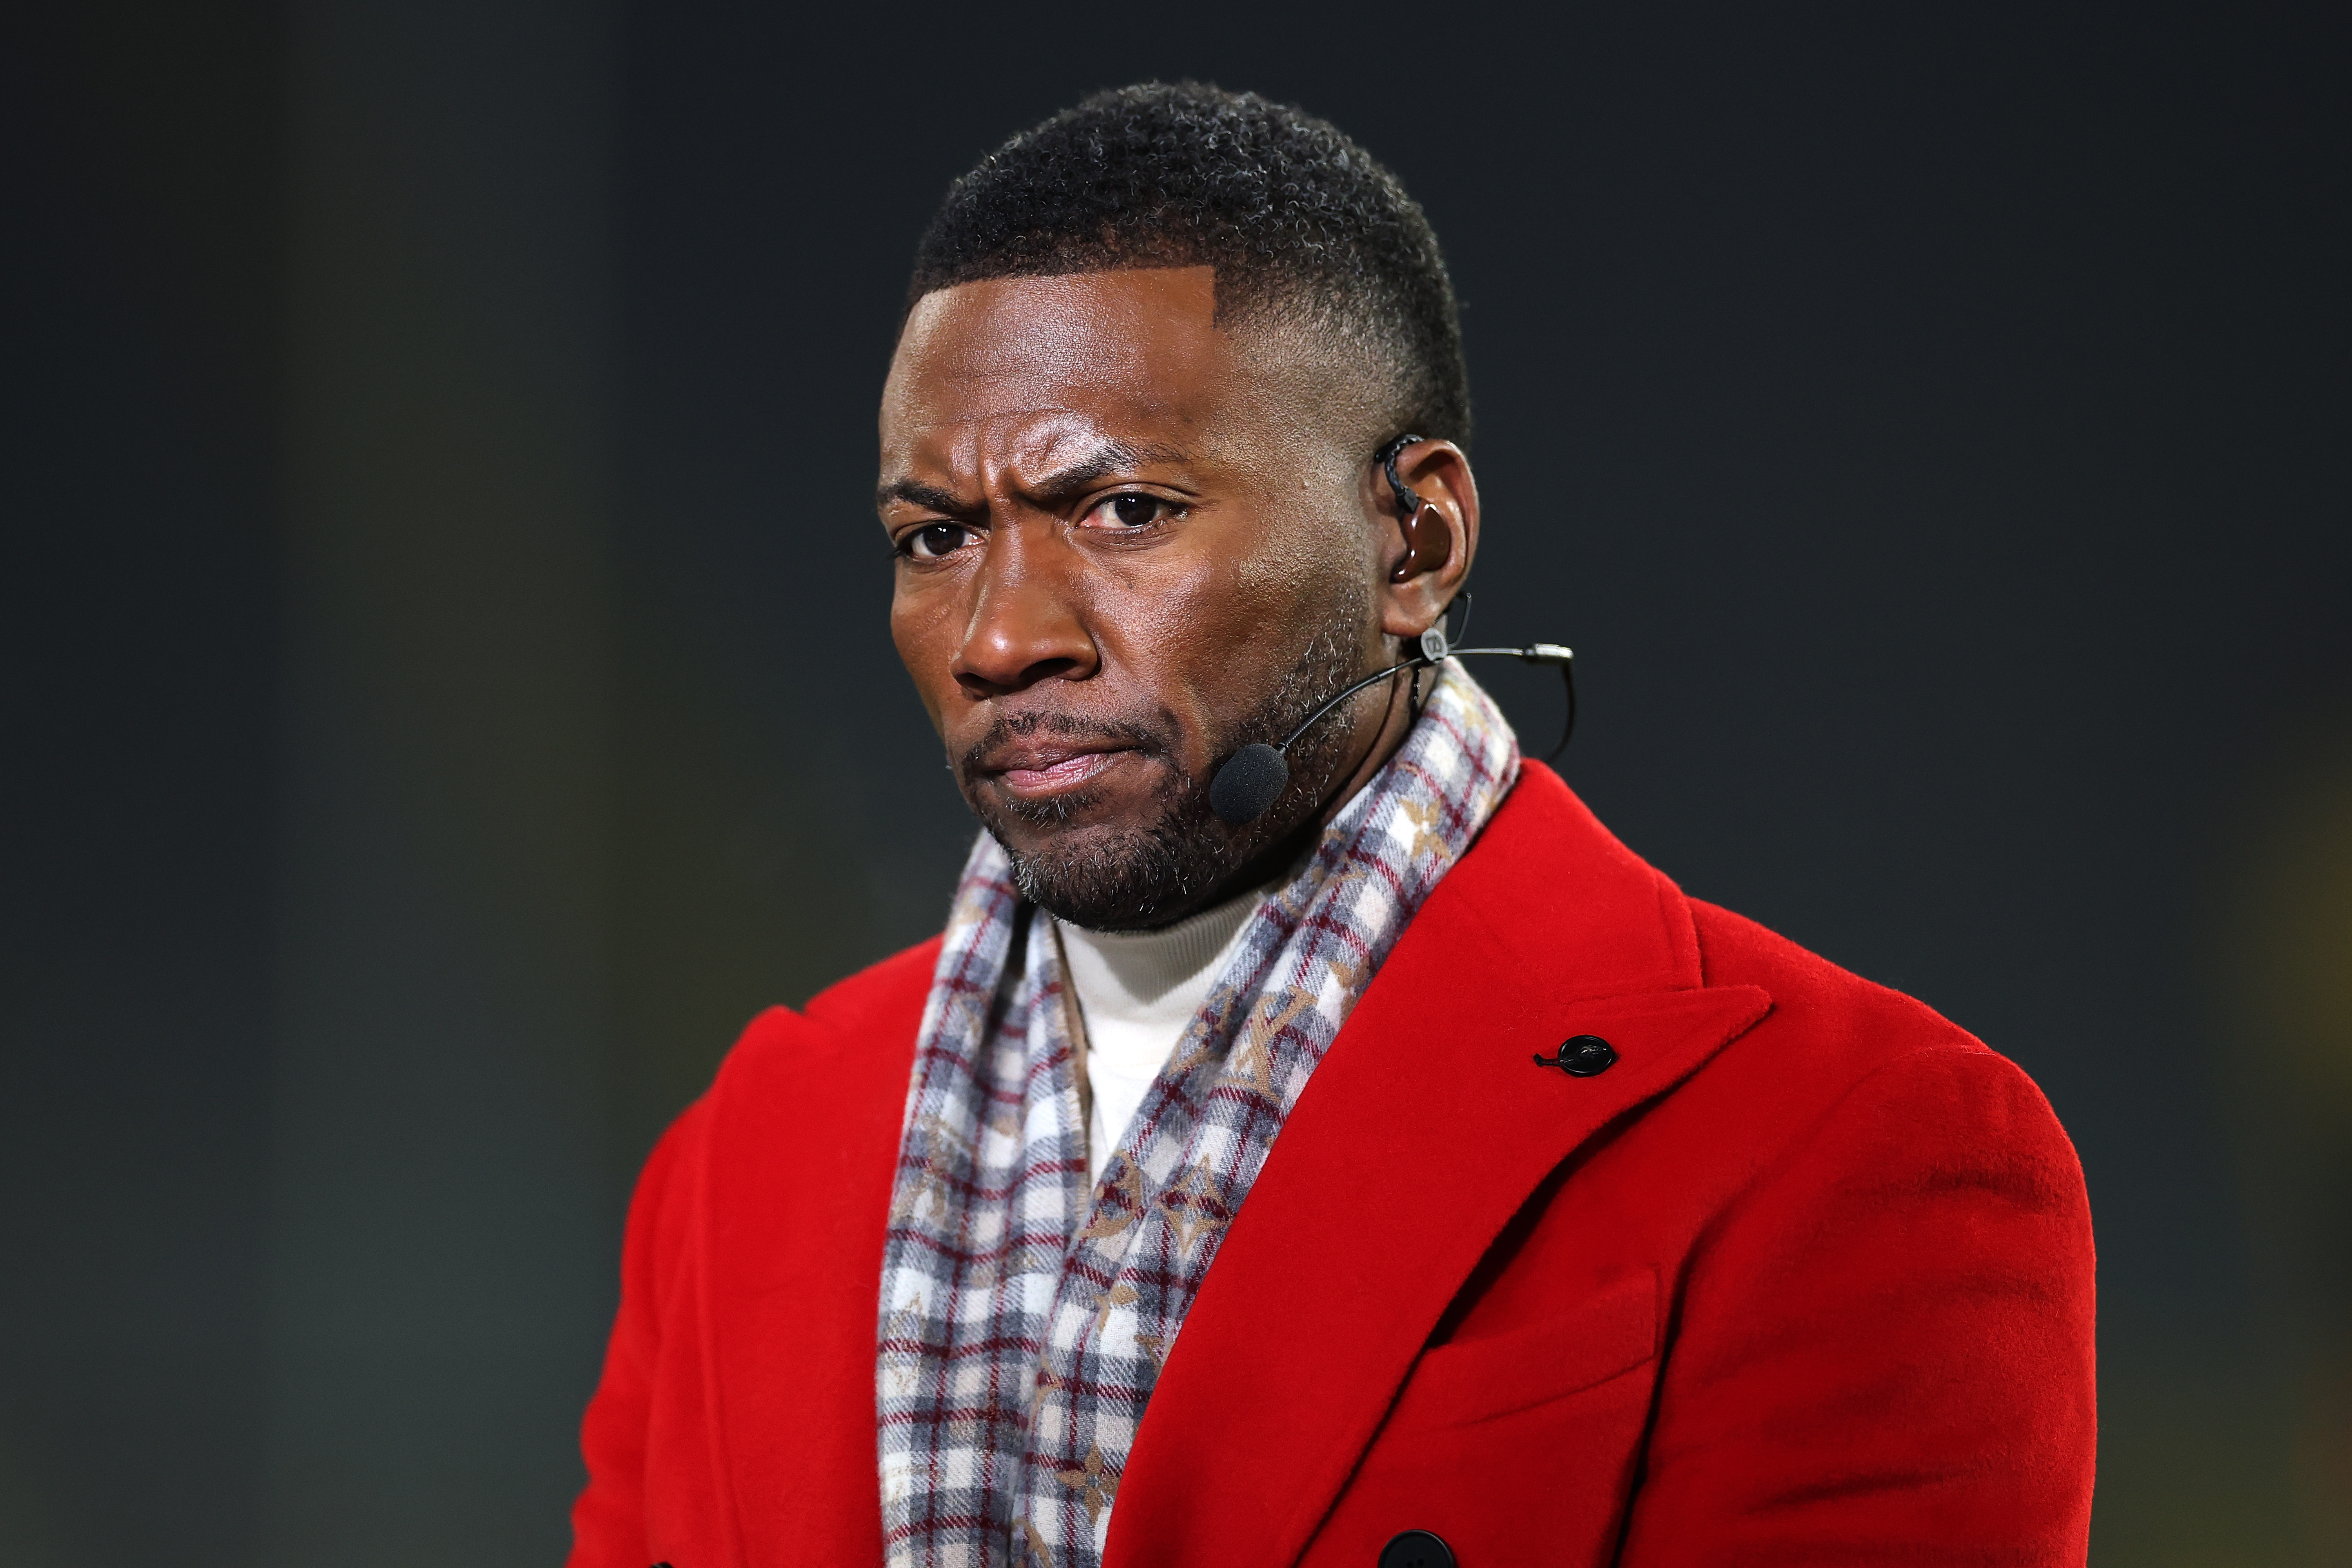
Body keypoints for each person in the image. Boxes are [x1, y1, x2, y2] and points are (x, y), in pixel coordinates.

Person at [569, 83, 2095, 1568]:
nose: (998, 636)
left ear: (1413, 540)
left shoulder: (1852, 1150)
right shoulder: (738, 1163)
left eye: (1125, 511)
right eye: (937, 536)